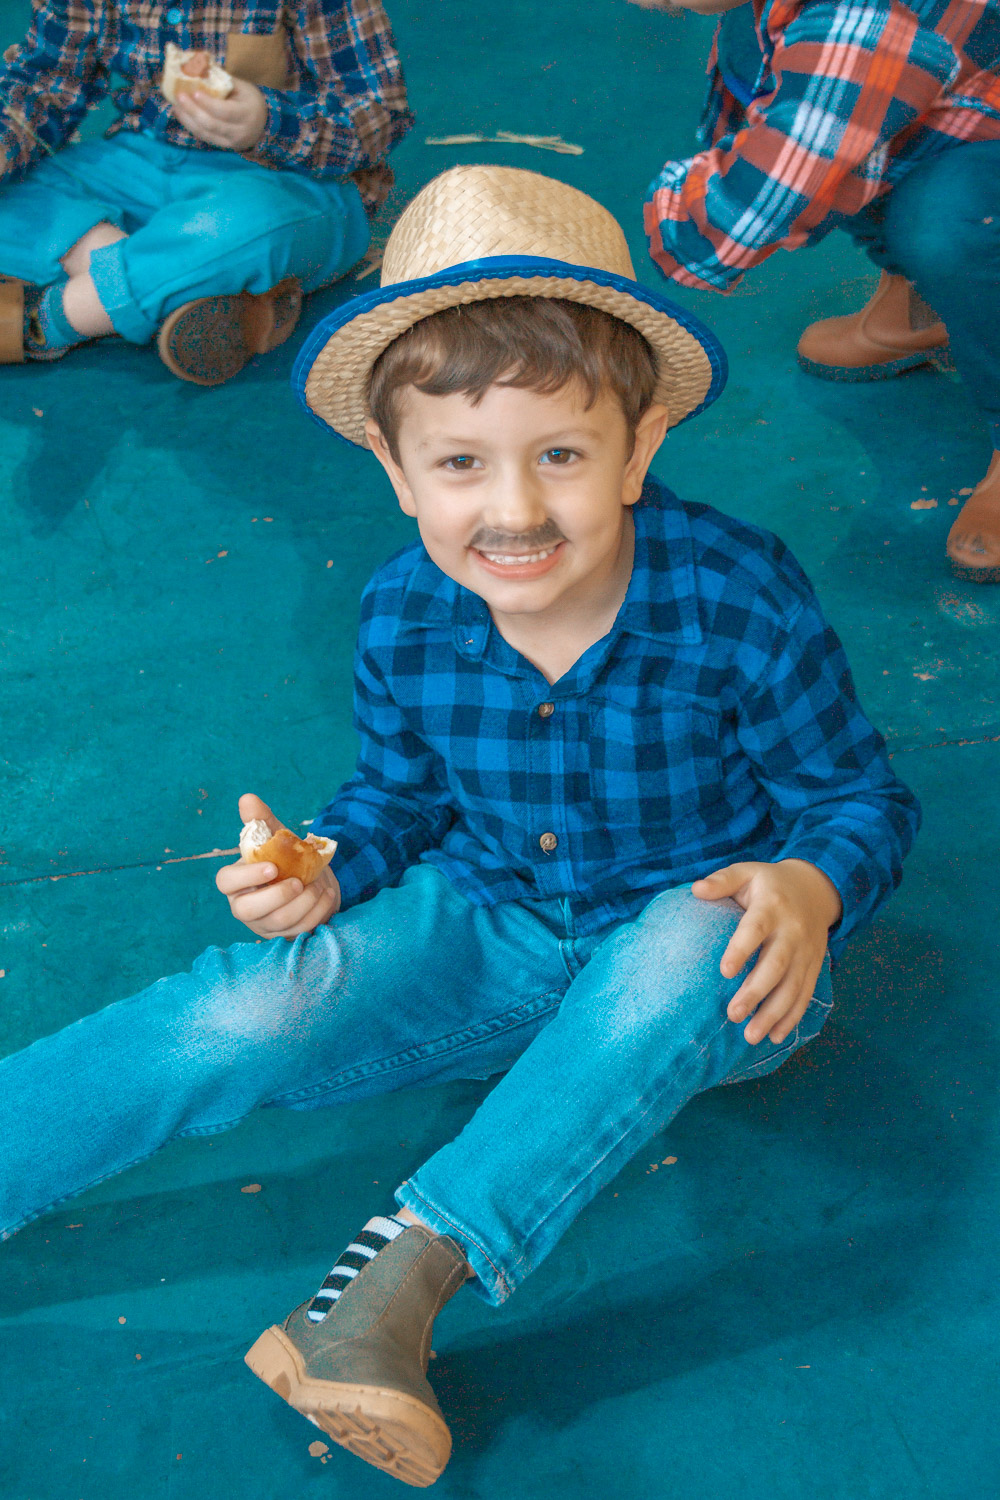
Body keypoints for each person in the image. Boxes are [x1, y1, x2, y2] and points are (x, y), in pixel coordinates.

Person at [0, 166, 919, 1486]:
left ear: (639, 446)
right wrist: (331, 867)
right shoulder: (399, 613)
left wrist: (809, 889)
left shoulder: (738, 594)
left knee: (688, 929)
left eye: (562, 454)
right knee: (257, 1001)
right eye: (459, 464)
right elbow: (400, 797)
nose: (515, 510)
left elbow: (856, 799)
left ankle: (389, 1291)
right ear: (395, 470)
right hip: (493, 927)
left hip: (708, 965)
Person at [640, 0, 1000, 581]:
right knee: (806, 87)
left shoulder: (862, 22)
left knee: (953, 221)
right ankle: (921, 306)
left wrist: (660, 217)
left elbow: (740, 222)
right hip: (963, 98)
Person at [0, 0, 412, 384]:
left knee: (259, 226)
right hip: (141, 160)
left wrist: (267, 121)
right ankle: (189, 281)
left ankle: (49, 320)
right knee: (16, 193)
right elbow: (44, 85)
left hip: (284, 178)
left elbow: (378, 112)